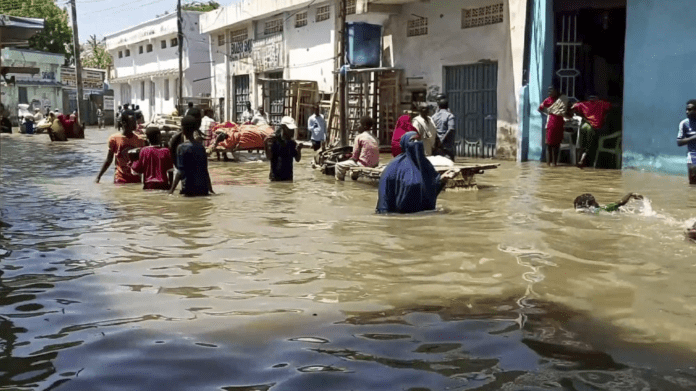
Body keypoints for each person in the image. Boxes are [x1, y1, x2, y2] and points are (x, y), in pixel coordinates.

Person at [376, 131, 457, 214]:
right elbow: (384, 194)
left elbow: (432, 186)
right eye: (412, 140)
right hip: (402, 218)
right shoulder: (393, 168)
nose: (416, 143)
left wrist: (443, 179)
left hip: (424, 218)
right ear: (405, 144)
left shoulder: (425, 165)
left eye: (418, 140)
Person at [95, 109, 146, 184]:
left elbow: (143, 162)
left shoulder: (140, 140)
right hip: (120, 179)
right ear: (124, 123)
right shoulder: (114, 139)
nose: (135, 124)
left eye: (135, 121)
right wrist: (99, 176)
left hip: (136, 180)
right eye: (132, 122)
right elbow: (109, 159)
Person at [169, 116, 214, 196]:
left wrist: (171, 191)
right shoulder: (201, 147)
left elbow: (180, 172)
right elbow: (205, 171)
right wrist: (210, 189)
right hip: (203, 189)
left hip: (189, 190)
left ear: (183, 129)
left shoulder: (181, 148)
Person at [335, 116, 380, 181]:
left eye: (359, 124)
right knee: (353, 165)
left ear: (364, 126)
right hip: (375, 164)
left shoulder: (359, 137)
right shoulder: (375, 138)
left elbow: (355, 157)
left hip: (363, 164)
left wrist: (349, 157)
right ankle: (354, 178)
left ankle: (340, 185)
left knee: (338, 165)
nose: (357, 126)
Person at [572, 94, 612, 168]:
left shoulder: (583, 104)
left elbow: (573, 106)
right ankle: (583, 159)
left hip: (586, 126)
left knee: (581, 143)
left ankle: (580, 160)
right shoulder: (602, 103)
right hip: (595, 128)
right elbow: (610, 106)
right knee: (588, 144)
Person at [265, 116, 304, 181]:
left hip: (288, 178)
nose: (292, 131)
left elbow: (297, 159)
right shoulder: (274, 141)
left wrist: (299, 150)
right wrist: (266, 145)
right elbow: (269, 157)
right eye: (290, 129)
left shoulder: (292, 143)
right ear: (283, 127)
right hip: (275, 178)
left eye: (293, 129)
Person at [538, 85, 569, 166]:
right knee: (549, 144)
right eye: (549, 91)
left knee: (557, 144)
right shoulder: (547, 100)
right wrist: (548, 112)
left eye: (552, 91)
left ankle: (554, 163)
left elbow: (567, 110)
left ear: (556, 91)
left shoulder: (563, 99)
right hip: (551, 123)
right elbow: (540, 108)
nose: (550, 93)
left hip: (559, 123)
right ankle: (548, 163)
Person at [677, 99, 696, 184]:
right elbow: (679, 142)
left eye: (690, 110)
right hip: (692, 154)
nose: (687, 112)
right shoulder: (684, 123)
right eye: (686, 109)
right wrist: (694, 137)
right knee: (693, 180)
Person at [573, 192, 643, 213]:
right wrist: (630, 194)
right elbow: (621, 202)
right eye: (595, 201)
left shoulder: (581, 212)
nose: (597, 203)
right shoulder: (599, 210)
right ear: (591, 205)